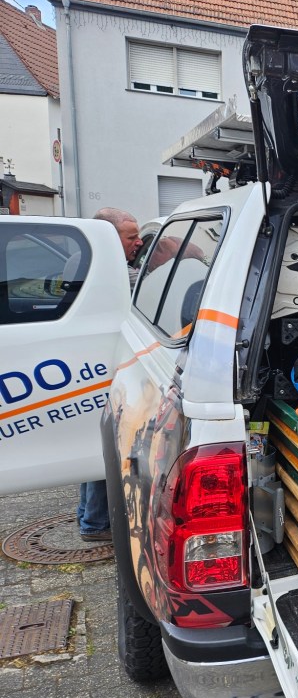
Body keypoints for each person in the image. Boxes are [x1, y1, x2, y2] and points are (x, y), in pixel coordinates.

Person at [78, 207, 142, 542]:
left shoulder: (81, 262)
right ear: (108, 237)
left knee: (94, 445)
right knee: (108, 444)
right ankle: (96, 523)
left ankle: (87, 515)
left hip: (91, 368)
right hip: (105, 370)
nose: (139, 242)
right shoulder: (114, 274)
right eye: (132, 237)